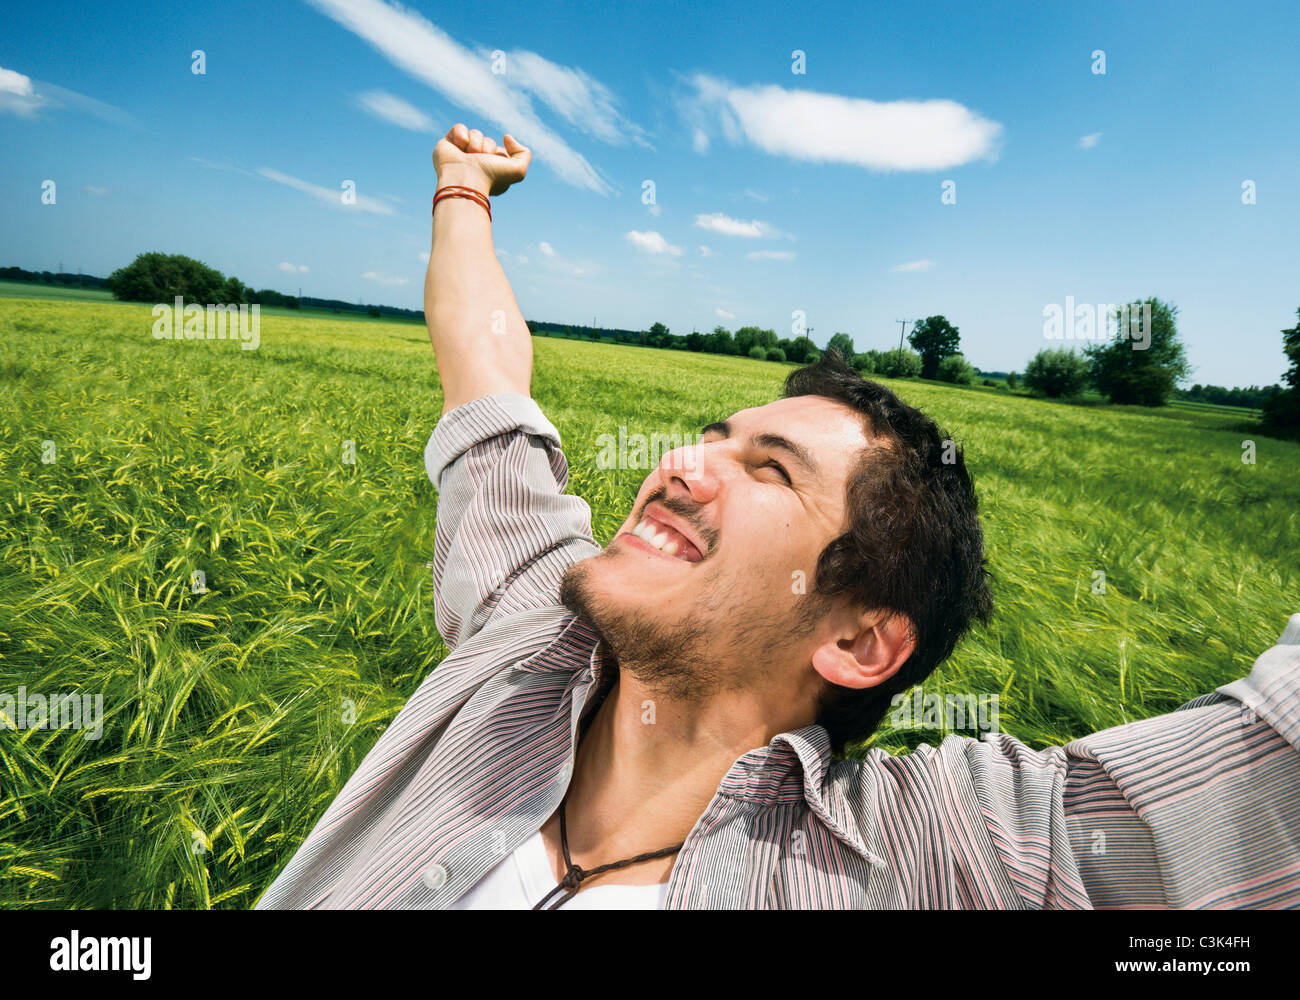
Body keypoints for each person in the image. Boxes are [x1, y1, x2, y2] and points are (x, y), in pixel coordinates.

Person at [255, 124, 1300, 910]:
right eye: (709, 434)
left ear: (856, 638)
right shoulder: (530, 622)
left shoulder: (943, 854)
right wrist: (461, 187)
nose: (678, 466)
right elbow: (487, 371)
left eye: (765, 468)